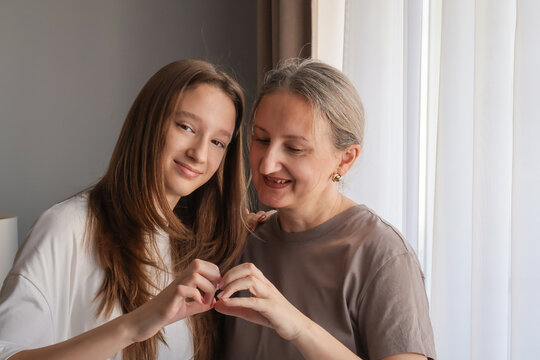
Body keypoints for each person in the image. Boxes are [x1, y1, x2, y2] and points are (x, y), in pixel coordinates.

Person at [0, 59, 248, 360]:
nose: (199, 154)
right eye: (186, 127)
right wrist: (134, 325)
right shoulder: (67, 228)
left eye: (218, 142)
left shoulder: (198, 246)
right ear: (148, 122)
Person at [215, 59, 437, 360]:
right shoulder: (244, 240)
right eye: (262, 138)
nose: (266, 163)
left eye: (294, 148)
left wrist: (295, 326)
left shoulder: (382, 255)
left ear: (345, 160)